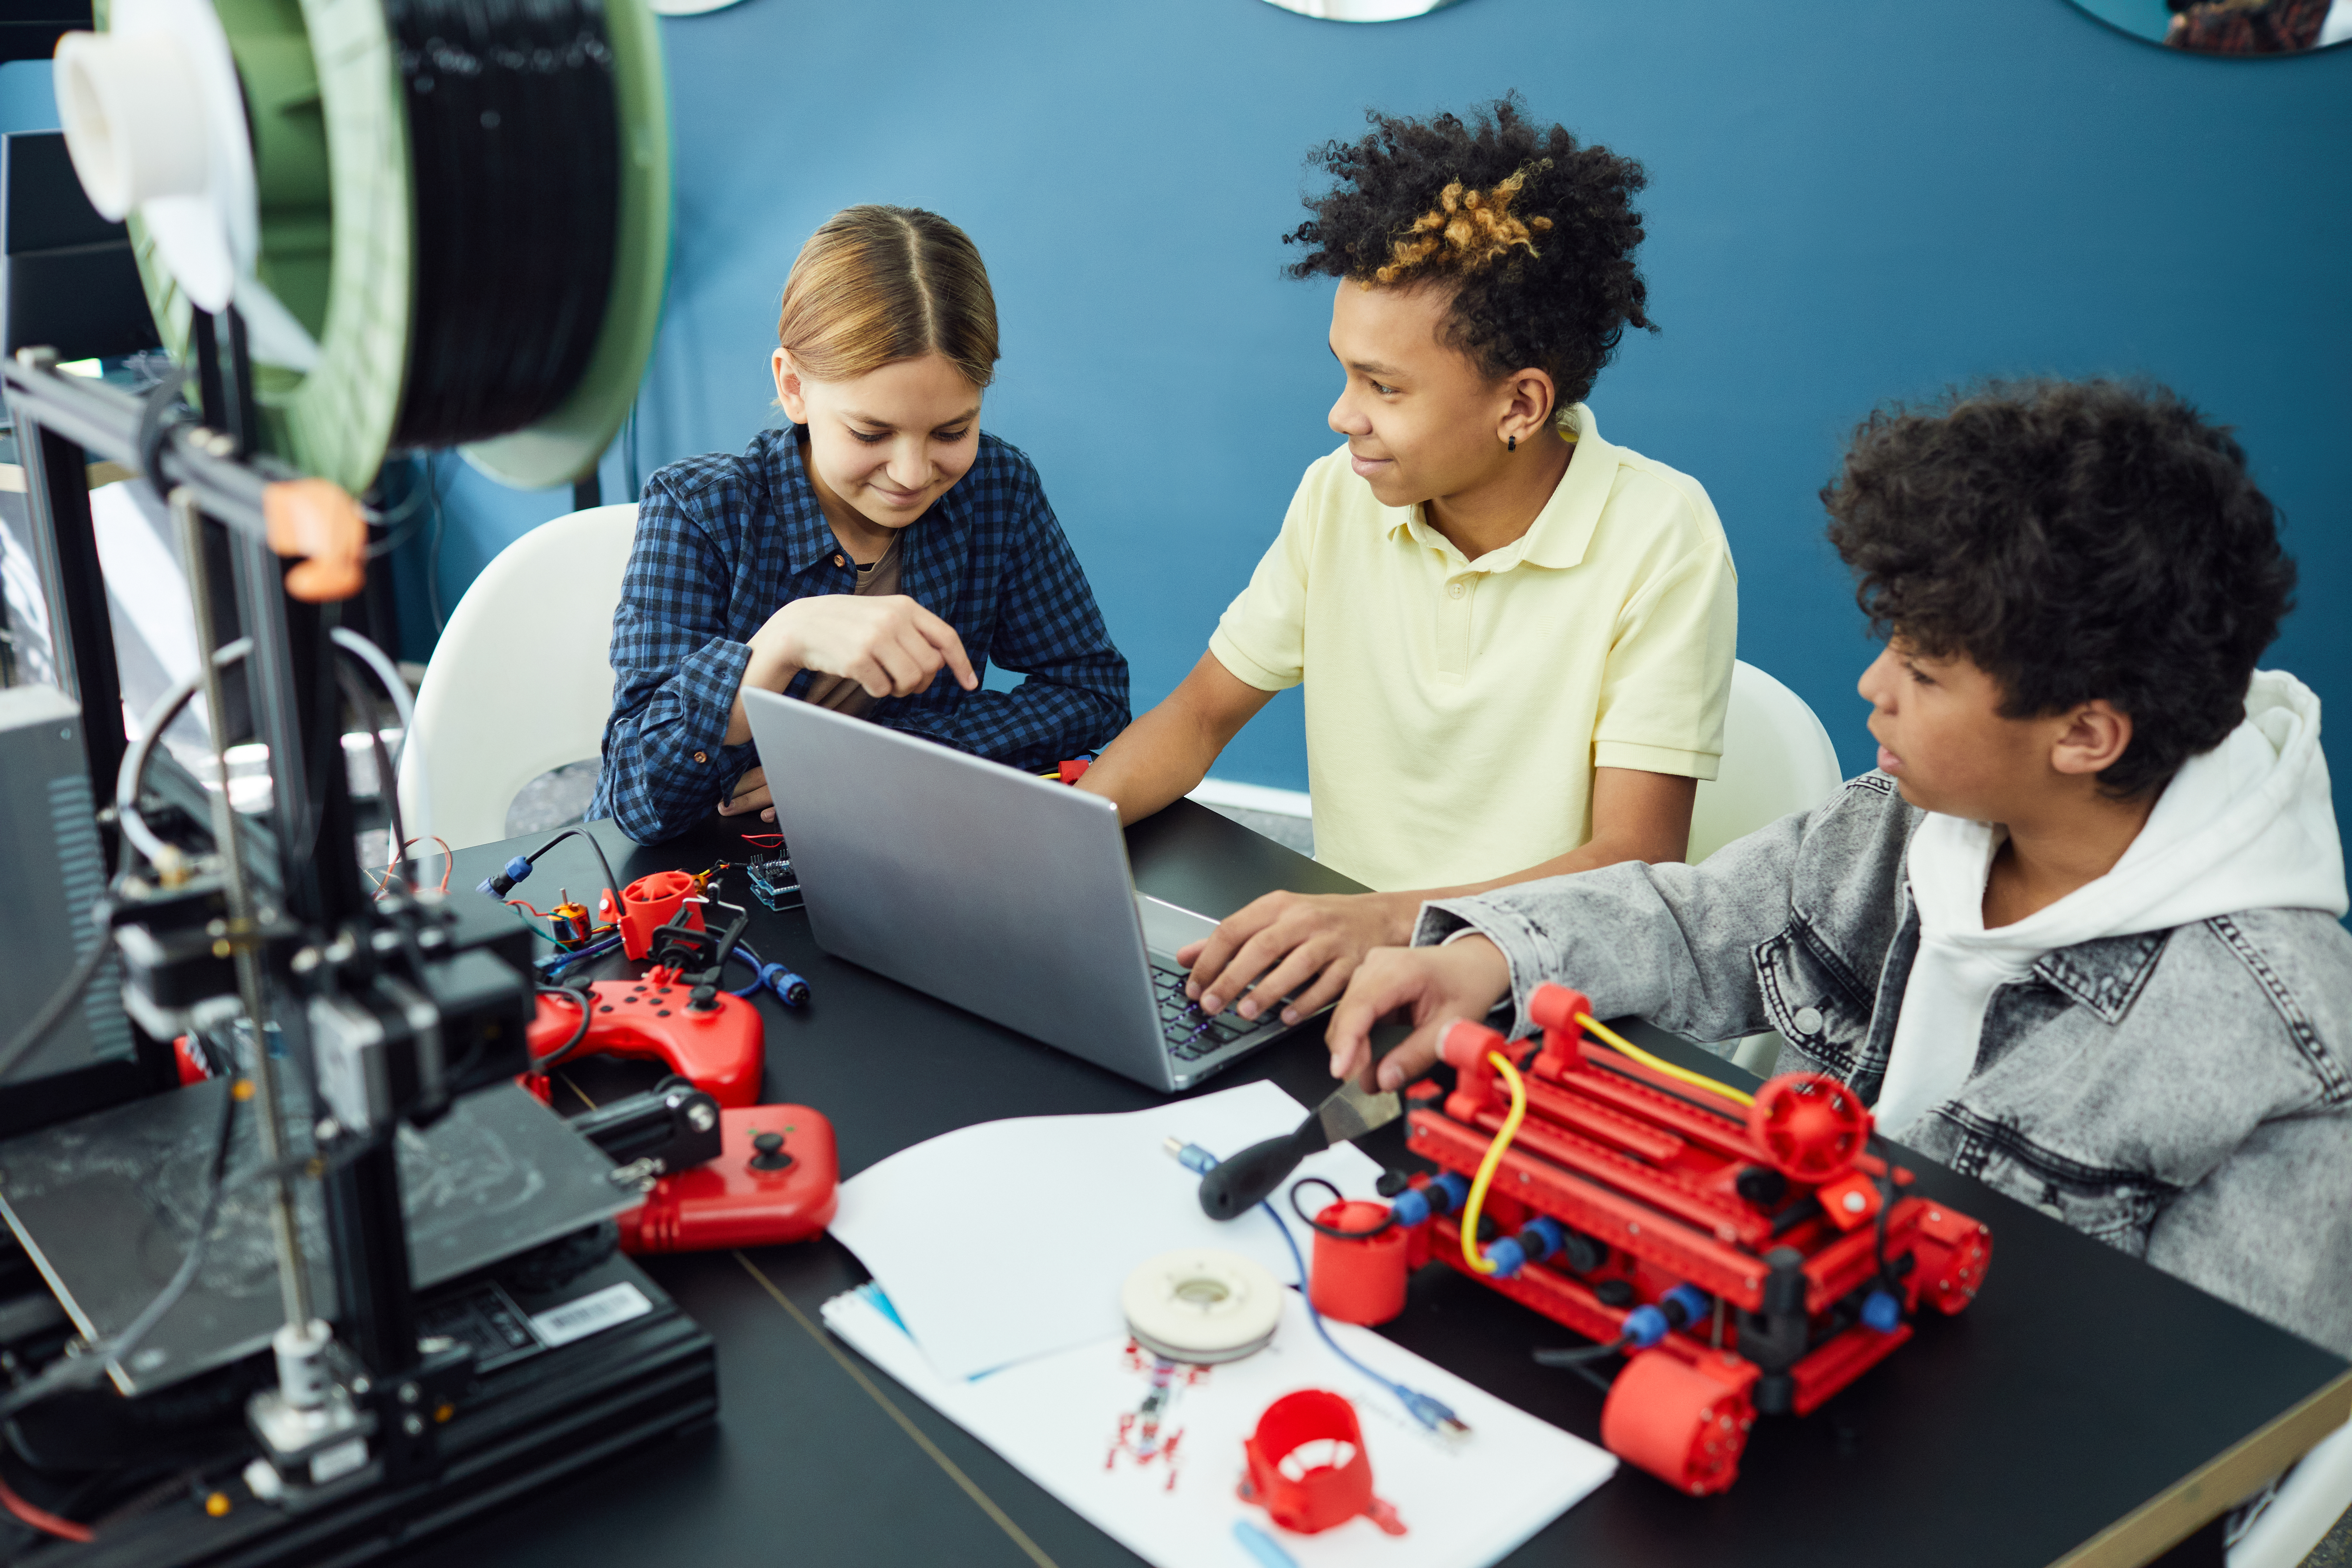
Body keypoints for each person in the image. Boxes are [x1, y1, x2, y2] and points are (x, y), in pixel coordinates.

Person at [1325, 379, 2351, 1355]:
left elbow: (2218, 1420)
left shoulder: (2282, 1049)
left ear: (2084, 735)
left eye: (1924, 672)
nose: (1872, 685)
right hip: (1792, 1320)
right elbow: (1702, 922)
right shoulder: (1911, 823)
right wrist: (1491, 959)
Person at [1076, 97, 1736, 1032]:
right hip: (1341, 960)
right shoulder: (1336, 496)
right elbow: (1198, 715)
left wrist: (1397, 923)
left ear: (1520, 405)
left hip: (1526, 988)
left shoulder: (1663, 535)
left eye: (1383, 388)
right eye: (1346, 372)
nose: (1345, 415)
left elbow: (1636, 861)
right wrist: (1063, 851)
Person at [591, 206, 1130, 843]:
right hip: (711, 868)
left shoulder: (998, 488)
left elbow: (1092, 692)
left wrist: (876, 761)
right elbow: (635, 796)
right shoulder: (699, 508)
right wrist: (782, 642)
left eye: (953, 431)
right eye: (871, 432)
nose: (911, 473)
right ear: (793, 387)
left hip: (895, 840)